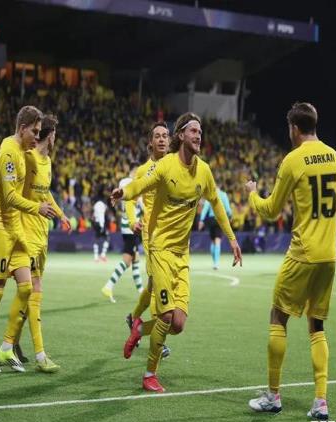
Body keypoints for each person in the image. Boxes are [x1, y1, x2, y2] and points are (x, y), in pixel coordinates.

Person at [111, 112, 242, 393]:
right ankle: (149, 374)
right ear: (181, 135)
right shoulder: (164, 166)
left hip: (182, 254)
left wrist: (232, 239)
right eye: (193, 131)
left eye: (200, 132)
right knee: (167, 315)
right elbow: (139, 185)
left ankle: (138, 328)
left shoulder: (204, 171)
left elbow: (216, 204)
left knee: (179, 323)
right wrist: (125, 194)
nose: (199, 136)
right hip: (158, 247)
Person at [246, 102, 336, 420]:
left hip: (303, 253)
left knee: (278, 316)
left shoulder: (293, 159)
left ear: (295, 128)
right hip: (329, 256)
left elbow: (271, 210)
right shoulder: (335, 157)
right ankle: (321, 401)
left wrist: (252, 194)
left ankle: (273, 396)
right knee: (317, 326)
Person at [0, 106, 57, 373]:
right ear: (22, 129)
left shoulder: (24, 152)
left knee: (26, 288)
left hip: (16, 227)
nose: (37, 136)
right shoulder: (9, 150)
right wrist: (37, 208)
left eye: (40, 132)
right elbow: (10, 197)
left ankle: (6, 347)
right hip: (0, 226)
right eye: (34, 131)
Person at [13, 114, 69, 372]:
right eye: (55, 134)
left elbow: (45, 193)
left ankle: (11, 342)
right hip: (26, 233)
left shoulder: (47, 162)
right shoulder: (28, 158)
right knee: (34, 291)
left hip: (41, 234)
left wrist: (61, 214)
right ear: (51, 135)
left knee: (29, 294)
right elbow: (15, 192)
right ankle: (40, 355)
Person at [124, 121, 170, 357]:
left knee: (153, 285)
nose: (161, 139)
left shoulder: (176, 165)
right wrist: (133, 221)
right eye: (157, 136)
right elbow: (130, 200)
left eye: (165, 136)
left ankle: (133, 318)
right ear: (150, 142)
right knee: (158, 284)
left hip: (172, 235)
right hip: (152, 235)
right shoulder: (143, 171)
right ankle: (157, 337)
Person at [101, 163, 145, 303]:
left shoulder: (125, 182)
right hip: (131, 225)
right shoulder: (130, 182)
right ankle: (108, 286)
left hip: (128, 224)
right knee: (127, 259)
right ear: (134, 171)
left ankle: (141, 291)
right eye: (138, 171)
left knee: (135, 258)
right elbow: (137, 202)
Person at [198, 186, 232, 270]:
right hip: (219, 218)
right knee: (218, 241)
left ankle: (214, 262)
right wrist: (230, 216)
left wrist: (201, 220)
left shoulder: (210, 195)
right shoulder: (223, 195)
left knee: (213, 241)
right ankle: (216, 263)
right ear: (220, 187)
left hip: (211, 220)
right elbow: (228, 209)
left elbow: (205, 208)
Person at [92, 192, 110, 263]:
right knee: (107, 238)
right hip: (100, 223)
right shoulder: (102, 205)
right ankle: (103, 255)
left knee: (96, 238)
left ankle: (96, 257)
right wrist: (102, 226)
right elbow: (101, 215)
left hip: (96, 223)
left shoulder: (95, 205)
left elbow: (94, 215)